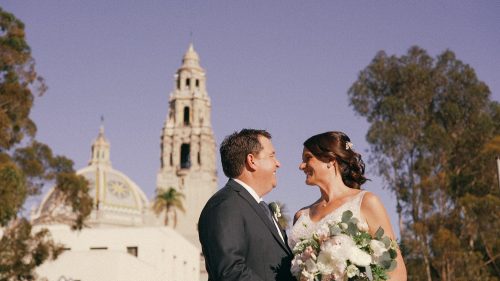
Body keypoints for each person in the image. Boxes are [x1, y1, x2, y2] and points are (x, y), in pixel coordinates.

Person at [289, 131, 407, 280]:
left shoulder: (365, 201)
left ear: (331, 160)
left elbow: (397, 271)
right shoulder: (300, 216)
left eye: (308, 158)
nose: (301, 166)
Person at [198, 129, 294, 281]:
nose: (278, 163)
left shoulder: (258, 207)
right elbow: (230, 272)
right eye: (271, 156)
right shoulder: (224, 205)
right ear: (252, 160)